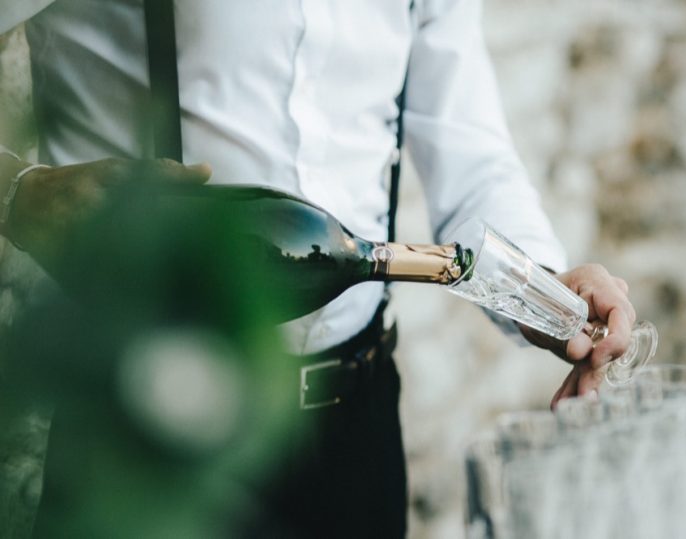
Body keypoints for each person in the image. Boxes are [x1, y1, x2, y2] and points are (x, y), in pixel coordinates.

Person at [0, 1, 637, 537]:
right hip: (145, 431)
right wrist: (18, 193)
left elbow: (470, 151)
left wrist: (544, 289)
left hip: (355, 427)